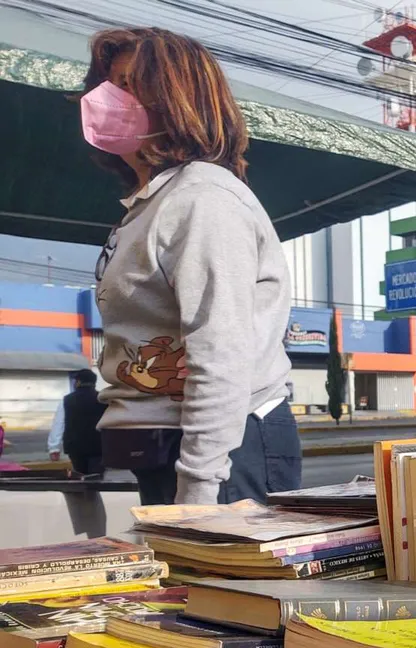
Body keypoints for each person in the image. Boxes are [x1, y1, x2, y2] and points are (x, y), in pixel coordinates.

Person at [81, 27, 301, 506]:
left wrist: (199, 487)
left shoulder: (201, 199)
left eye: (128, 84)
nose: (108, 98)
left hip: (219, 451)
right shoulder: (150, 205)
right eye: (107, 84)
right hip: (172, 447)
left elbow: (220, 350)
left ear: (178, 100)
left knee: (214, 560)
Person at [49, 369, 107, 476]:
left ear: (78, 382)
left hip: (75, 447)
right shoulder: (103, 399)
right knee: (96, 478)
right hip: (98, 446)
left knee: (80, 477)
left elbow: (59, 424)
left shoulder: (67, 400)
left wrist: (54, 448)